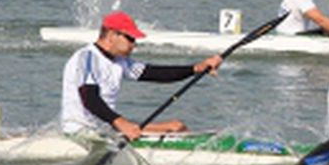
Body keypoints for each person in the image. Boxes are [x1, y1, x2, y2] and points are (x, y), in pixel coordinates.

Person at [59, 11, 223, 142]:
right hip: (82, 134)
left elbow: (157, 74)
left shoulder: (120, 61)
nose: (134, 44)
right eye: (130, 38)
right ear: (111, 35)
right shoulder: (86, 57)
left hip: (106, 129)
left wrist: (196, 68)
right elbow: (89, 98)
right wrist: (122, 124)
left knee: (176, 126)